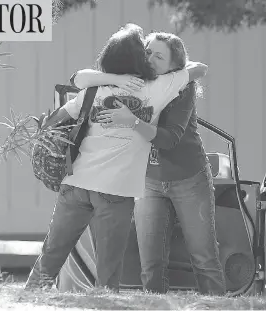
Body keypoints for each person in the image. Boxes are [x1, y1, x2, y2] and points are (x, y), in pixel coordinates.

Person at [24, 24, 208, 292]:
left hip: (76, 184)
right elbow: (199, 69)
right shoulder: (158, 87)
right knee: (107, 275)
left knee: (49, 259)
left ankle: (28, 302)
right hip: (115, 191)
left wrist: (111, 79)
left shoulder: (93, 89)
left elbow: (60, 113)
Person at [72, 32, 227, 296]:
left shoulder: (181, 88)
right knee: (151, 265)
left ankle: (216, 304)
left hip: (188, 179)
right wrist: (115, 79)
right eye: (148, 52)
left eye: (159, 56)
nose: (150, 59)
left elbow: (169, 140)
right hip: (148, 181)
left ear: (173, 66)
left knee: (204, 258)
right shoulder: (133, 80)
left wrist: (130, 120)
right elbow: (79, 79)